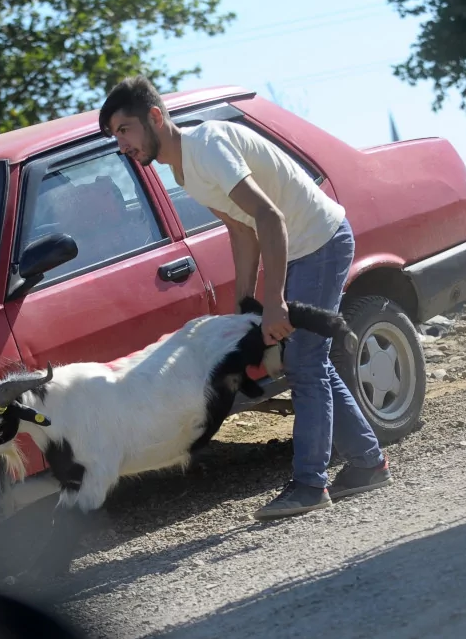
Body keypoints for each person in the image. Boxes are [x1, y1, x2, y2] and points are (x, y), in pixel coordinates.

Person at [98, 76, 392, 520]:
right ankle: (368, 464)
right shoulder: (181, 169)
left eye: (125, 130)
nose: (122, 145)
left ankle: (311, 484)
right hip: (296, 251)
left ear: (155, 118)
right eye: (114, 136)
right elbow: (241, 228)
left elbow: (269, 217)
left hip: (321, 241)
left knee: (305, 364)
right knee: (312, 360)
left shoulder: (207, 148)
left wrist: (273, 299)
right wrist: (244, 303)